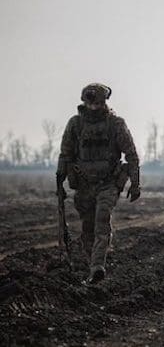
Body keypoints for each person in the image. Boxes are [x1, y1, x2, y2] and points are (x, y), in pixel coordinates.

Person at [56, 83, 140, 284]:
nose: (94, 107)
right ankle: (91, 267)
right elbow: (65, 154)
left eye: (98, 103)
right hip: (84, 185)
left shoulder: (116, 124)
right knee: (87, 228)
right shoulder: (75, 124)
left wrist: (135, 184)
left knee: (102, 221)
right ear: (85, 101)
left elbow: (132, 156)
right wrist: (60, 180)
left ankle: (97, 267)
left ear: (104, 102)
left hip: (108, 183)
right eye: (91, 103)